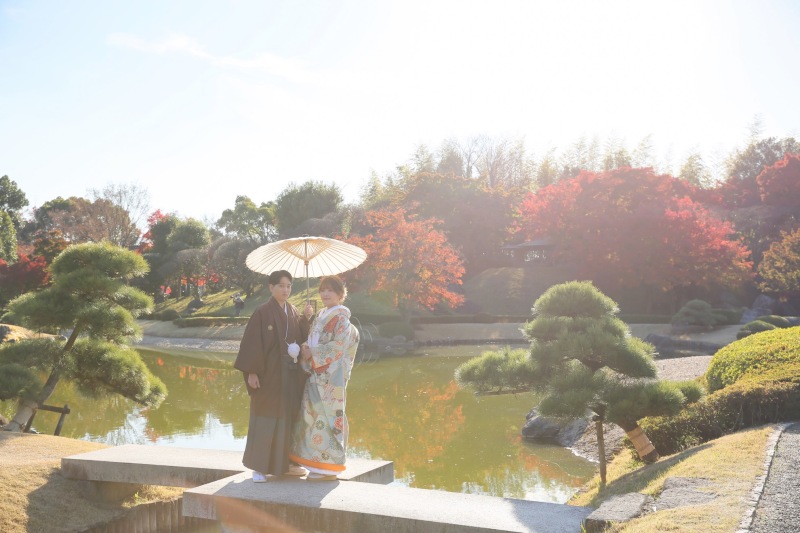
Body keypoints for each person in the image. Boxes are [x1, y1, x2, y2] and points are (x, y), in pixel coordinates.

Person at [233, 270, 314, 482]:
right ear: (271, 287)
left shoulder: (294, 310)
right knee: (265, 417)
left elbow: (302, 337)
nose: (286, 290)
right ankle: (259, 467)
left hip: (290, 373)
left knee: (289, 417)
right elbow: (252, 343)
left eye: (288, 286)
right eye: (281, 285)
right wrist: (252, 371)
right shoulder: (262, 312)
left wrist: (306, 319)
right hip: (268, 373)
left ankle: (286, 463)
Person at [290, 275, 360, 481]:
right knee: (312, 417)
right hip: (316, 376)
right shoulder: (322, 315)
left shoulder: (340, 319)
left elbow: (337, 347)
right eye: (323, 290)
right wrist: (305, 346)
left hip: (331, 379)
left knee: (328, 417)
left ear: (340, 294)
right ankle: (316, 463)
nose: (325, 294)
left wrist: (314, 351)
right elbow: (314, 341)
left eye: (331, 290)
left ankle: (329, 466)